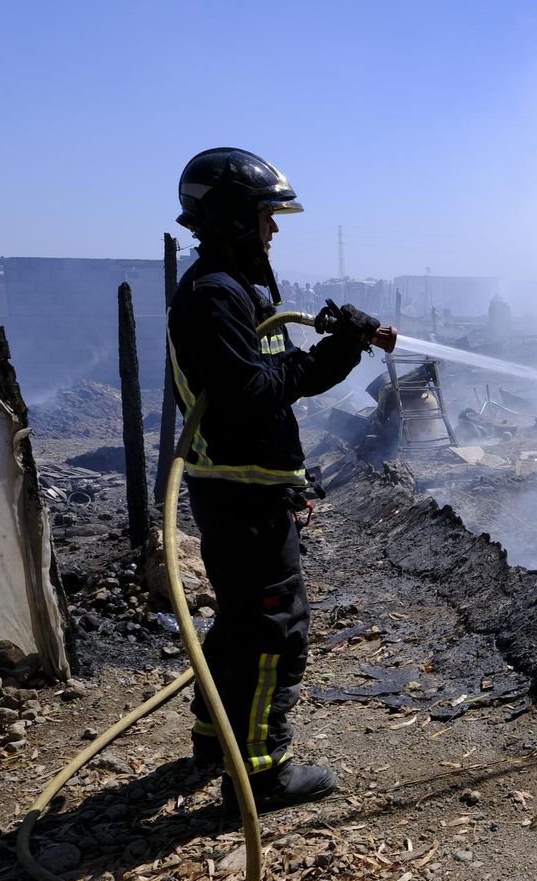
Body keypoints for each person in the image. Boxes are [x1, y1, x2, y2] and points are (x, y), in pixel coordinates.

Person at [167, 147, 397, 813]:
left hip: (249, 483)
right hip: (240, 489)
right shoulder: (213, 295)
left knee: (241, 617)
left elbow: (286, 378)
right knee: (275, 626)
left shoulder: (240, 290)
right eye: (268, 217)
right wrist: (323, 356)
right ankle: (264, 772)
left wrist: (343, 347)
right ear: (236, 218)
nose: (275, 230)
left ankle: (216, 741)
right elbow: (247, 393)